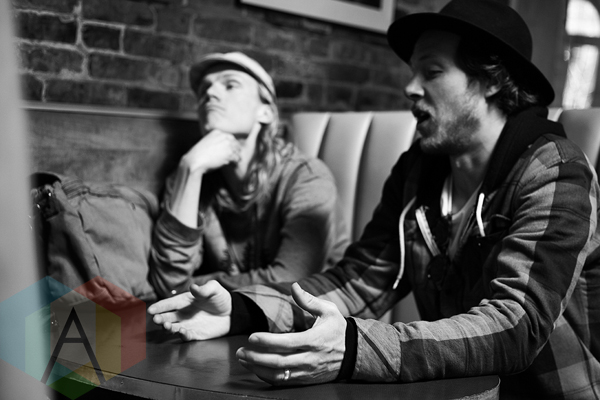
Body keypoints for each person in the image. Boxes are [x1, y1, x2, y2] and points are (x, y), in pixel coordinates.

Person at [147, 1, 600, 398]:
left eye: (432, 72)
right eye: (413, 73)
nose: (411, 88)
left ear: (491, 81)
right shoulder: (419, 171)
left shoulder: (555, 170)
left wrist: (353, 348)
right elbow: (356, 284)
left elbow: (517, 325)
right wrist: (243, 309)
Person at [148, 52, 349, 297]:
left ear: (266, 112)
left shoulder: (306, 177)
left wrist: (192, 288)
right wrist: (190, 169)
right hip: (233, 314)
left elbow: (291, 282)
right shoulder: (190, 174)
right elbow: (168, 283)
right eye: (203, 90)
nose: (209, 93)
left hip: (313, 315)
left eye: (230, 85)